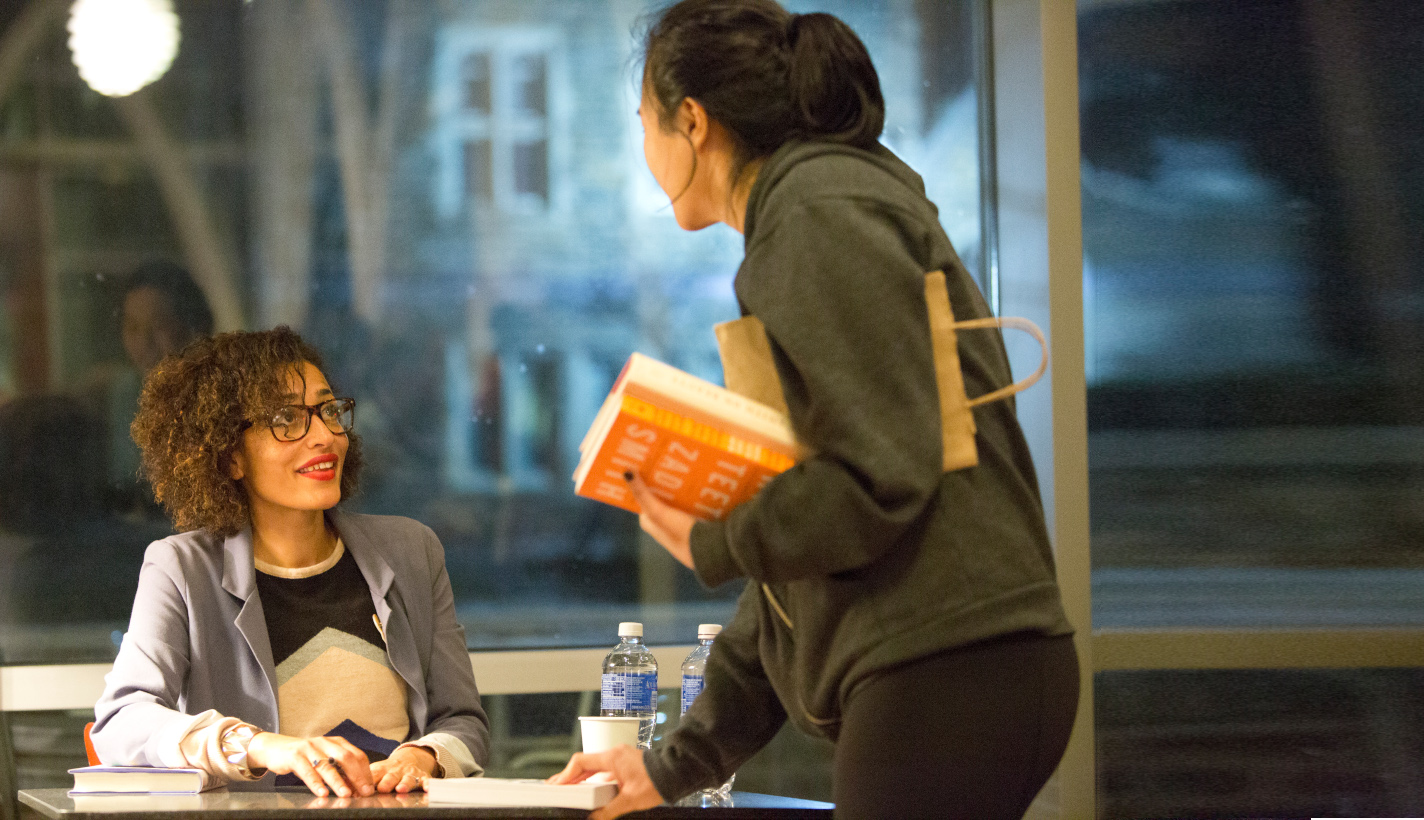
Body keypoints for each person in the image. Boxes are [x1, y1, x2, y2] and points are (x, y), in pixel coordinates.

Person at [549, 2, 1079, 819]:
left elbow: (877, 476)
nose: (645, 151)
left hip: (949, 664)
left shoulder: (814, 209)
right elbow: (802, 574)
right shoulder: (812, 208)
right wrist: (670, 766)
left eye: (644, 124)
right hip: (949, 666)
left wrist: (716, 535)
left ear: (691, 122)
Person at [91, 327, 489, 797]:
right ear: (229, 456)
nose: (324, 436)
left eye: (327, 410)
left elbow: (463, 723)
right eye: (286, 419)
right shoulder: (181, 568)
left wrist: (428, 756)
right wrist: (258, 746)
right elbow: (122, 720)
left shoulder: (412, 551)